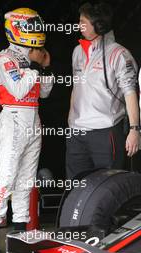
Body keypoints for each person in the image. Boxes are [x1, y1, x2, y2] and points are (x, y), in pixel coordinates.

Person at [0, 8, 53, 253]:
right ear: (16, 29)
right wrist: (35, 66)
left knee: (26, 180)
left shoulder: (30, 58)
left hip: (33, 118)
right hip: (13, 118)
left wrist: (40, 68)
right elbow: (20, 89)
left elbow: (44, 91)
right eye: (30, 26)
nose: (35, 30)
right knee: (8, 177)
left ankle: (21, 232)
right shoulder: (4, 59)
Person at [66, 1, 140, 180]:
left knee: (107, 187)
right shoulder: (77, 52)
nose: (78, 26)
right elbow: (76, 88)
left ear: (99, 26)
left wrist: (135, 129)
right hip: (76, 133)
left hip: (105, 132)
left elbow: (131, 93)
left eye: (83, 21)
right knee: (75, 189)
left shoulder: (119, 54)